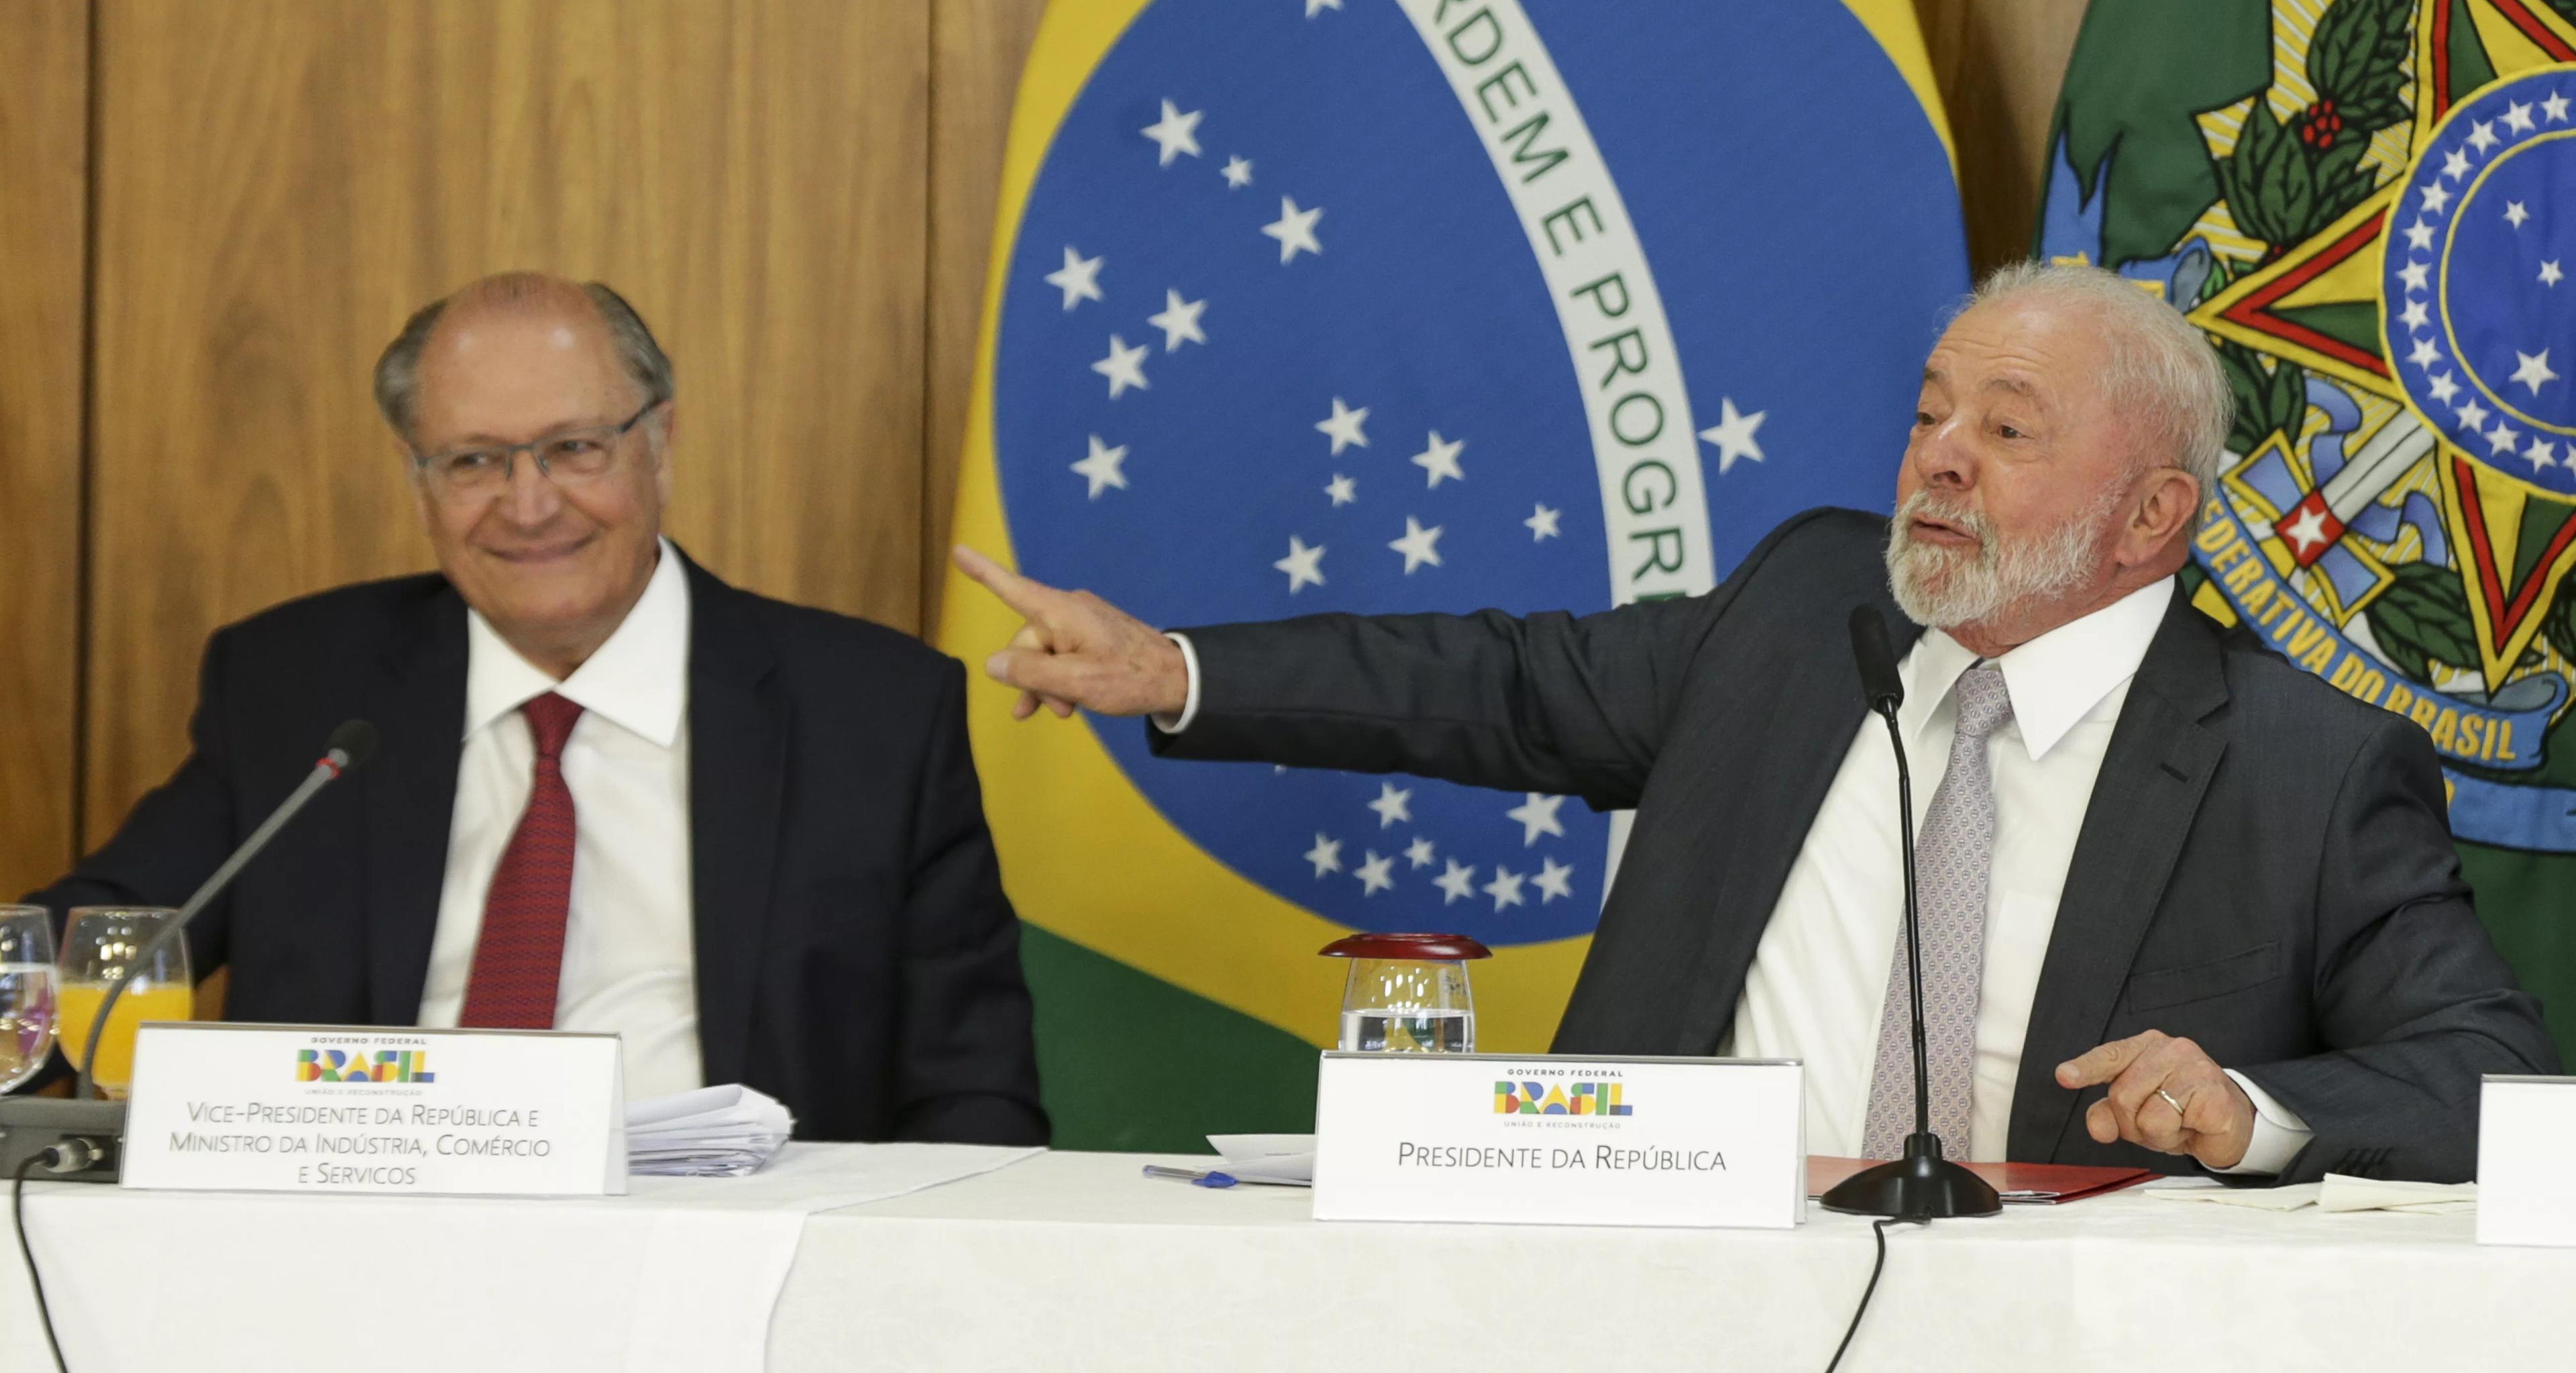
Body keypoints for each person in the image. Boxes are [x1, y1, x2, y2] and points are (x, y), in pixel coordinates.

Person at [957, 261, 2553, 1182]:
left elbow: (2485, 1072)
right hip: (1657, 1296)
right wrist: (1177, 667)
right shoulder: (1810, 613)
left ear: (2150, 516)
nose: (1937, 457)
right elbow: (1502, 682)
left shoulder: (2303, 763)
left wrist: (2251, 1105)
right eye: (1932, 408)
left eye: (2006, 428)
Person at [35, 274, 1045, 1145]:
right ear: (417, 479)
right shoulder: (299, 686)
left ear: (662, 442)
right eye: (473, 461)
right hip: (350, 1246)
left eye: (573, 448)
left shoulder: (870, 711)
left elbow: (975, 1093)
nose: (528, 505)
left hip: (730, 1266)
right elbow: (102, 938)